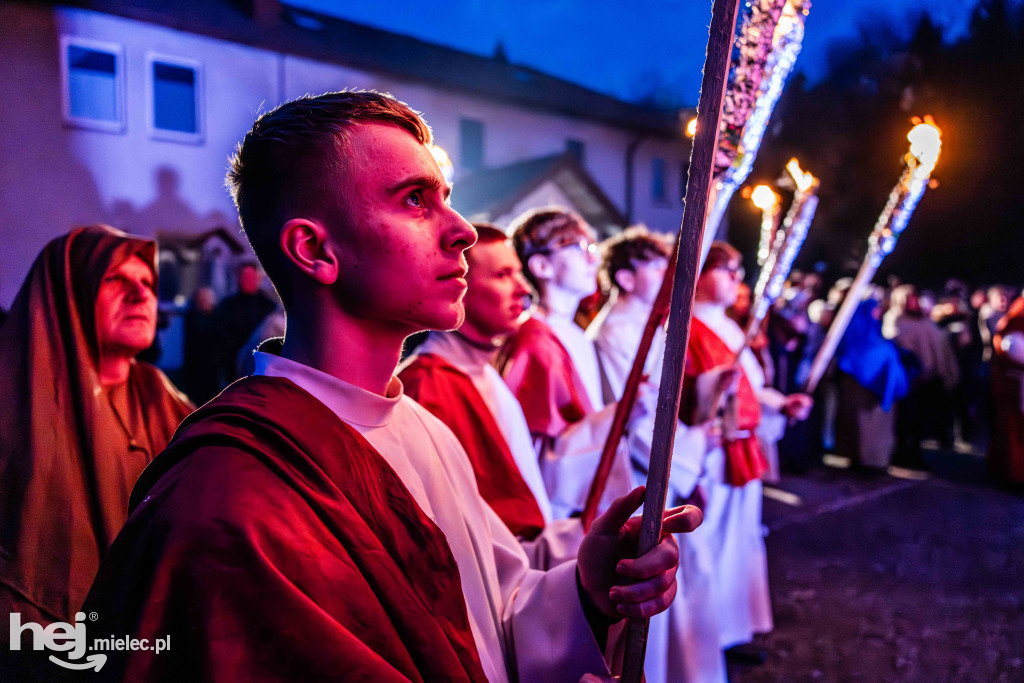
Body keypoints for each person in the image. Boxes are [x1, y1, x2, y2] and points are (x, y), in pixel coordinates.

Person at [80, 91, 701, 682]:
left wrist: (587, 588)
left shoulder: (424, 430)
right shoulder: (233, 499)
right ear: (314, 250)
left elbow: (492, 617)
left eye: (446, 198)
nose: (461, 229)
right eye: (413, 200)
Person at [0, 226, 193, 657]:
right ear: (70, 295)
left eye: (146, 282)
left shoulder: (161, 397)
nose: (140, 295)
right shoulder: (16, 408)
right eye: (115, 279)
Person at [589, 227, 728, 683]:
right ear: (625, 278)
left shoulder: (649, 324)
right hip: (642, 471)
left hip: (677, 456)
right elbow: (638, 415)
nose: (664, 272)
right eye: (653, 264)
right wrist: (689, 447)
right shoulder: (617, 331)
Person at [400, 223, 581, 568]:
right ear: (458, 287)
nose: (523, 289)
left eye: (518, 274)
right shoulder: (428, 386)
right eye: (502, 275)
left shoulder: (483, 371)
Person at [681, 242, 812, 662]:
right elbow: (689, 397)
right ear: (698, 274)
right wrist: (712, 389)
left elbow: (754, 387)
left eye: (739, 270)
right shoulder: (684, 327)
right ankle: (710, 637)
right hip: (713, 455)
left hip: (744, 449)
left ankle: (734, 629)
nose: (736, 278)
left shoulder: (733, 327)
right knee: (712, 542)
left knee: (740, 541)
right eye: (725, 269)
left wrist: (782, 402)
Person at [496, 208, 637, 520]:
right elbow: (536, 457)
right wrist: (622, 413)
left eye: (593, 247)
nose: (594, 260)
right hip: (557, 514)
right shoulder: (535, 340)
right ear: (542, 265)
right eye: (578, 247)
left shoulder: (572, 333)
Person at [213, 261, 277, 386]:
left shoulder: (268, 306)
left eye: (251, 276)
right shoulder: (226, 306)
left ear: (258, 278)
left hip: (262, 368)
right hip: (232, 369)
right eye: (244, 276)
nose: (248, 280)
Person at [989, 293, 1024, 485]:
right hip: (1016, 387)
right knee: (1013, 429)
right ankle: (1014, 473)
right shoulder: (1015, 320)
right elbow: (1011, 346)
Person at [181, 286, 222, 404]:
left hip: (212, 370)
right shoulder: (193, 318)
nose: (206, 302)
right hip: (196, 369)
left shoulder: (217, 318)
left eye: (207, 299)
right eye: (202, 299)